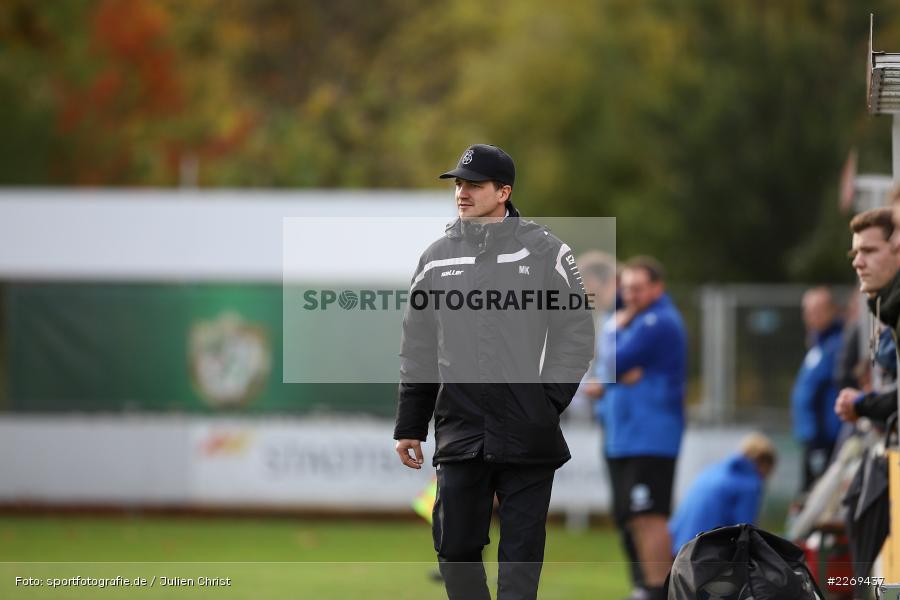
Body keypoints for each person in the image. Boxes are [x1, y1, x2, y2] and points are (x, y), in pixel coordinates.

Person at [393, 143, 595, 600]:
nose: (462, 193)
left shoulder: (547, 252)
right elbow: (418, 348)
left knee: (521, 561)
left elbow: (576, 336)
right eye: (458, 184)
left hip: (529, 431)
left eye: (473, 185)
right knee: (455, 550)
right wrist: (410, 424)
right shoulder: (435, 258)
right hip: (460, 431)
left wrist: (546, 403)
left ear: (503, 192)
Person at [594, 256, 687, 600]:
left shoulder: (657, 321)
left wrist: (612, 332)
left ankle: (659, 590)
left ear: (657, 288)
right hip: (626, 436)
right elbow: (614, 368)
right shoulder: (634, 320)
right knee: (632, 518)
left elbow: (613, 360)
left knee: (649, 516)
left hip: (652, 436)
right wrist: (614, 376)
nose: (631, 294)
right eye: (627, 287)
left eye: (638, 287)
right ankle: (644, 587)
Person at [835, 208, 900, 426]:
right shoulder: (890, 310)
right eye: (855, 254)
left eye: (869, 251)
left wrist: (863, 404)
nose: (857, 263)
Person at [668, 433, 777, 557]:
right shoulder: (749, 483)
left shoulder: (713, 471)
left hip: (677, 549)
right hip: (704, 555)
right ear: (764, 462)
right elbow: (746, 532)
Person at [790, 287, 843, 492]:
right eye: (808, 311)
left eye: (818, 310)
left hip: (825, 440)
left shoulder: (836, 345)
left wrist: (818, 439)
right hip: (811, 438)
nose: (811, 316)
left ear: (832, 311)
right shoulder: (818, 344)